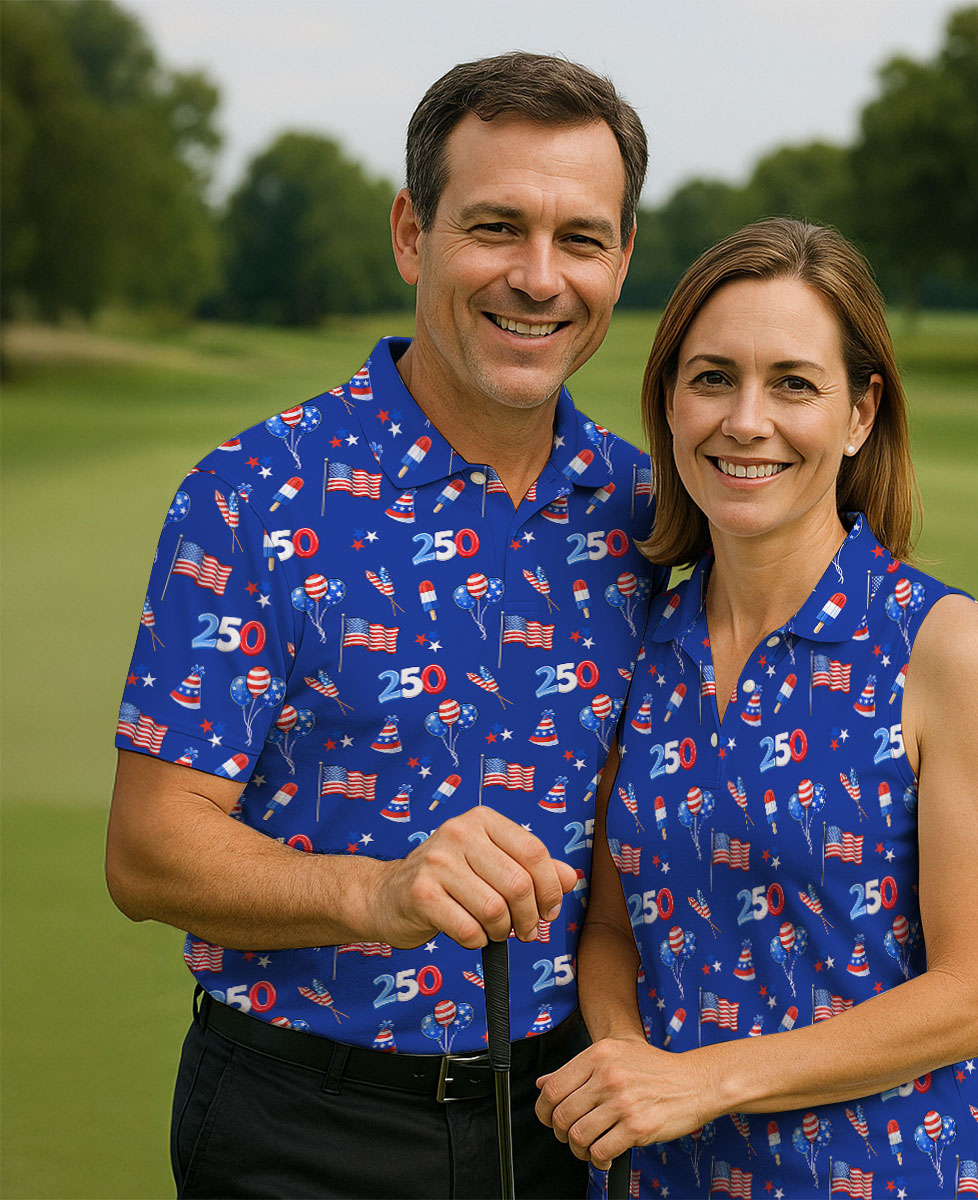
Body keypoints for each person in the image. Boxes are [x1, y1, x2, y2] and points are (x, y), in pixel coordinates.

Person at [106, 52, 664, 1199]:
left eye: (581, 239)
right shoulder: (256, 494)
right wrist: (376, 892)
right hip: (302, 1126)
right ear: (414, 234)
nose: (539, 278)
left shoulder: (647, 514)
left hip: (560, 1119)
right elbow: (148, 849)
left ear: (621, 259)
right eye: (496, 227)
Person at [535, 218, 978, 1198]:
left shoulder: (946, 648)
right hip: (658, 1181)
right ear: (670, 402)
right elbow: (608, 929)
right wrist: (626, 1060)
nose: (745, 420)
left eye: (794, 384)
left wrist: (701, 1082)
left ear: (860, 413)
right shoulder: (641, 640)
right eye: (713, 378)